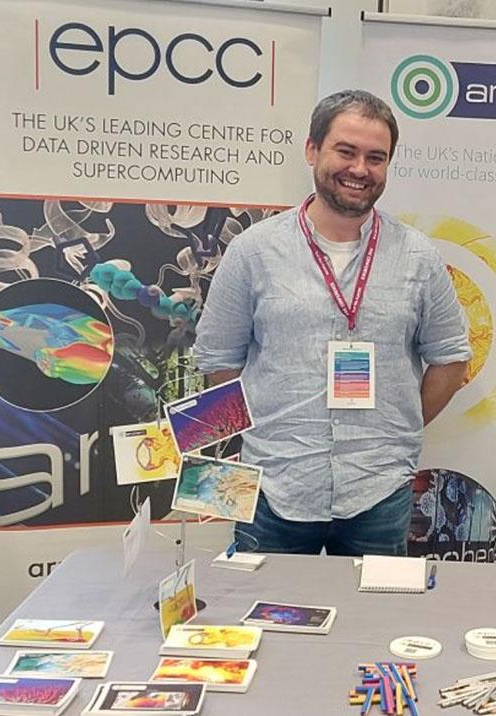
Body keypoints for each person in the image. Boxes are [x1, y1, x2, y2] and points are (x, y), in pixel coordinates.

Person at [193, 90, 471, 556]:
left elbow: (450, 358)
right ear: (312, 150)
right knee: (263, 619)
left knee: (374, 623)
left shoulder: (419, 257)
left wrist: (399, 427)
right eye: (346, 151)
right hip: (274, 485)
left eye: (375, 157)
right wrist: (265, 429)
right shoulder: (254, 251)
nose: (360, 169)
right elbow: (219, 360)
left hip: (379, 487)